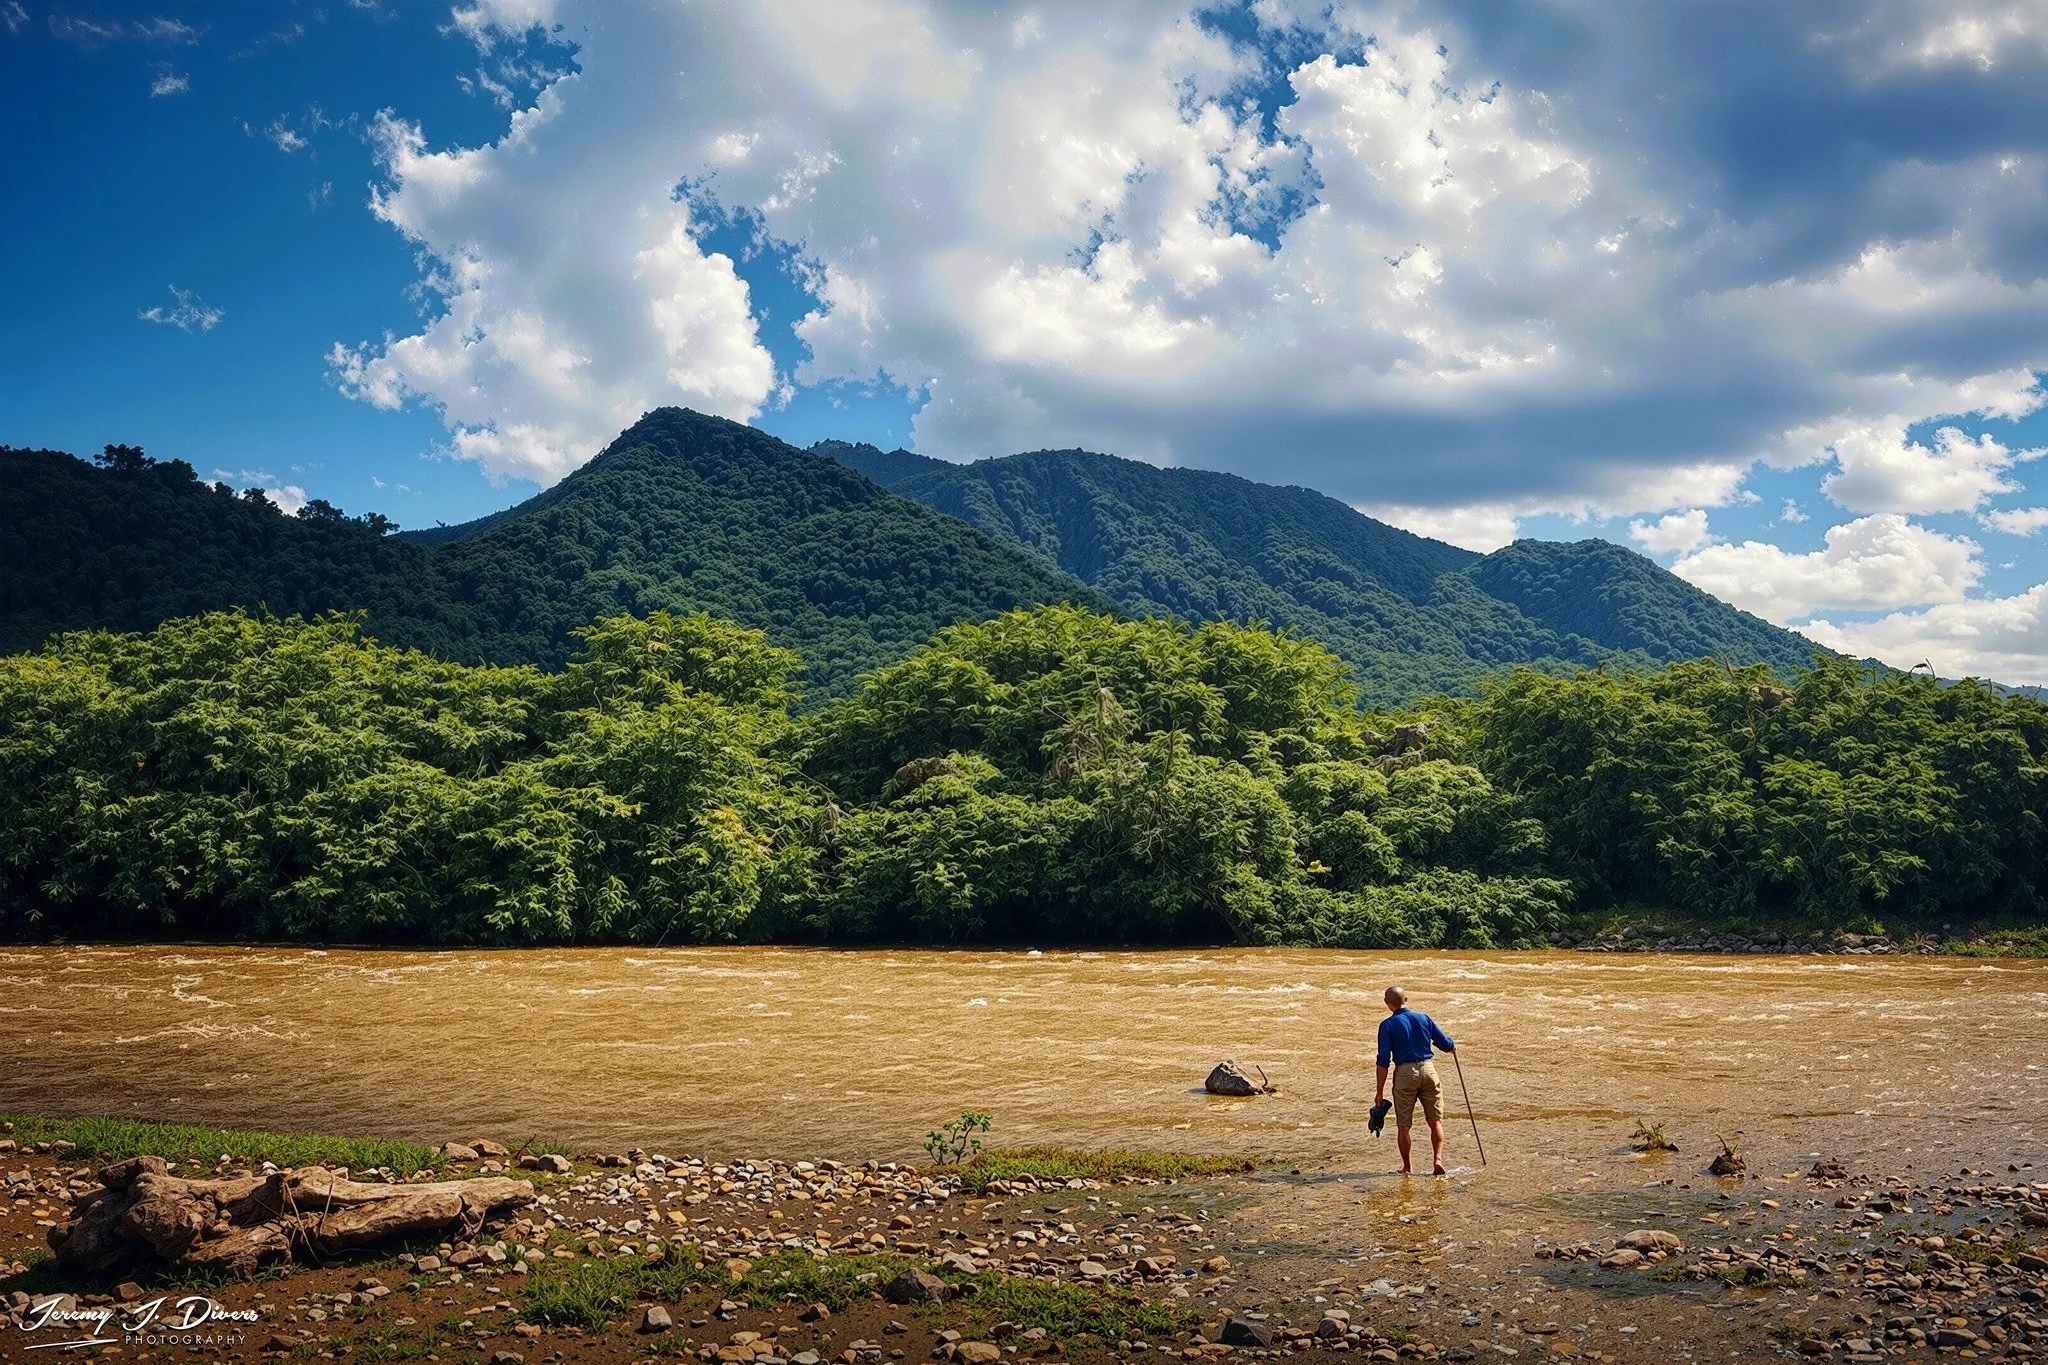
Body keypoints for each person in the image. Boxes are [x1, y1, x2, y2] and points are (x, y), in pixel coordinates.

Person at [1373, 985, 1456, 1175]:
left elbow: (1383, 1061)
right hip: (1428, 1070)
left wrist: (1379, 1092)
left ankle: (1407, 1168)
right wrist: (1452, 1046)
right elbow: (1445, 1043)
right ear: (1406, 999)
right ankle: (1437, 1160)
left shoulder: (1387, 1025)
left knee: (1404, 1125)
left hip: (1404, 1073)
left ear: (1387, 1003)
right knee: (1435, 1122)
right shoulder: (1424, 1017)